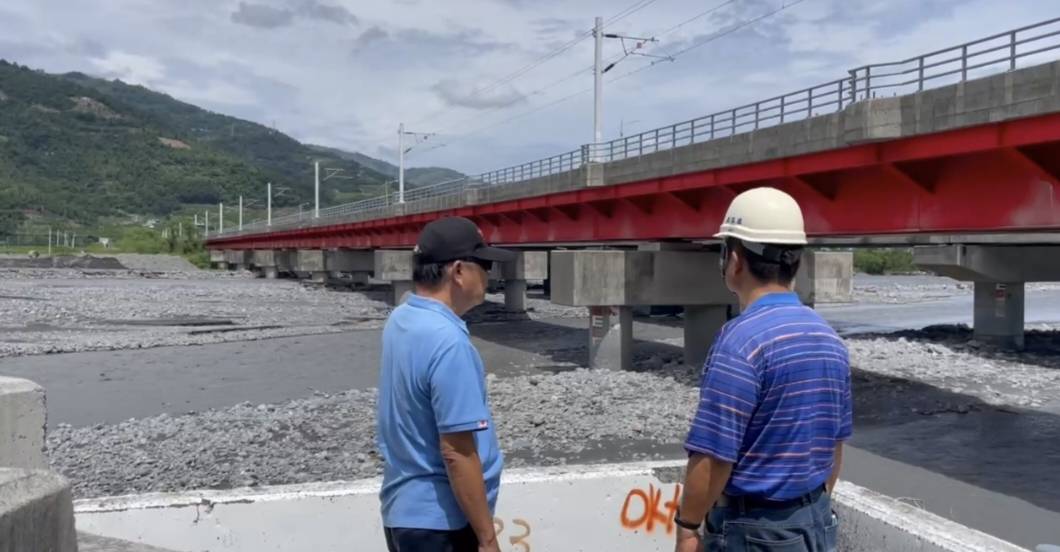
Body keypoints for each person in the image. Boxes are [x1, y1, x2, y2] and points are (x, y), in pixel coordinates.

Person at [673, 187, 853, 552]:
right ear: (796, 262)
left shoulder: (740, 342)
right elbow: (833, 446)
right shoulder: (829, 338)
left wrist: (688, 529)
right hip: (816, 523)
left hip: (753, 532)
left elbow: (713, 457)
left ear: (734, 260)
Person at [376, 216, 515, 552]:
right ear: (457, 271)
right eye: (483, 265)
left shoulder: (403, 318)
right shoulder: (449, 343)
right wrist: (487, 538)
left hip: (403, 513)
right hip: (442, 525)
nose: (489, 276)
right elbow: (457, 451)